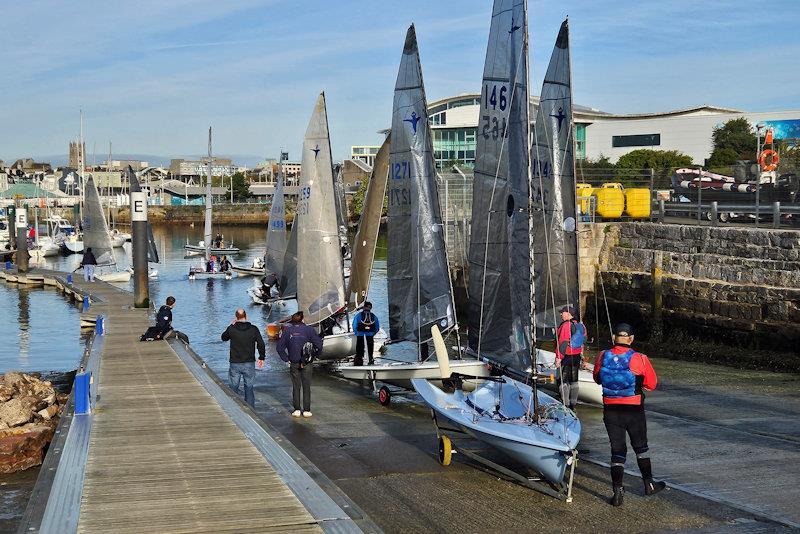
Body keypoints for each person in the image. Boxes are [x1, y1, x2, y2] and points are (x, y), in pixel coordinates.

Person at [593, 323, 665, 507]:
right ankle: (649, 484)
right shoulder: (640, 358)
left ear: (614, 337)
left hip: (611, 411)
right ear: (631, 339)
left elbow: (597, 378)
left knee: (617, 451)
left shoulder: (602, 356)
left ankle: (617, 493)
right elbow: (652, 384)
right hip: (633, 411)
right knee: (641, 447)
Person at [276, 311, 322, 418]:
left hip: (293, 362)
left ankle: (296, 409)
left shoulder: (287, 331)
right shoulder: (309, 330)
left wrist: (286, 359)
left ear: (292, 321)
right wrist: (315, 355)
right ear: (302, 319)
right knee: (306, 386)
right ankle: (306, 410)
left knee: (296, 386)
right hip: (307, 363)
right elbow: (319, 344)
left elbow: (279, 348)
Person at [221, 309, 266, 407]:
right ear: (246, 316)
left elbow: (223, 337)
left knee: (233, 388)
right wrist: (261, 357)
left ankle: (234, 408)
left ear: (236, 317)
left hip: (235, 362)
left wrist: (231, 326)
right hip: (249, 362)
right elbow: (261, 344)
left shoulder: (232, 329)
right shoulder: (253, 329)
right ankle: (250, 410)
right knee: (249, 388)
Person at [555, 305, 586, 410]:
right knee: (574, 380)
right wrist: (581, 355)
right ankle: (573, 405)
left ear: (568, 314)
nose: (560, 314)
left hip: (567, 356)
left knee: (563, 381)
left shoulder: (566, 325)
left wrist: (558, 358)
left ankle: (565, 405)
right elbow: (583, 341)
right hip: (576, 356)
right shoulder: (581, 325)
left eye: (562, 312)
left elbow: (562, 343)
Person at [352, 302, 380, 366]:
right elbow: (377, 327)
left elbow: (354, 325)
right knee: (370, 351)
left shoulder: (358, 315)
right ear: (370, 308)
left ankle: (358, 364)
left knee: (359, 351)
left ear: (364, 307)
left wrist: (357, 333)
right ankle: (370, 362)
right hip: (370, 335)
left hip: (360, 335)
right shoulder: (374, 316)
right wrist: (372, 333)